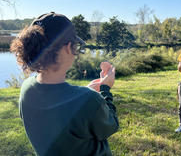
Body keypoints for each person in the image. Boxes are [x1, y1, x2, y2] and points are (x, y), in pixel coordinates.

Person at [10, 12, 119, 156]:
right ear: (68, 47)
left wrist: (85, 92)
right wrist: (105, 89)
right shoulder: (89, 100)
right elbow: (110, 126)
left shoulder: (26, 89)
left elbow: (61, 107)